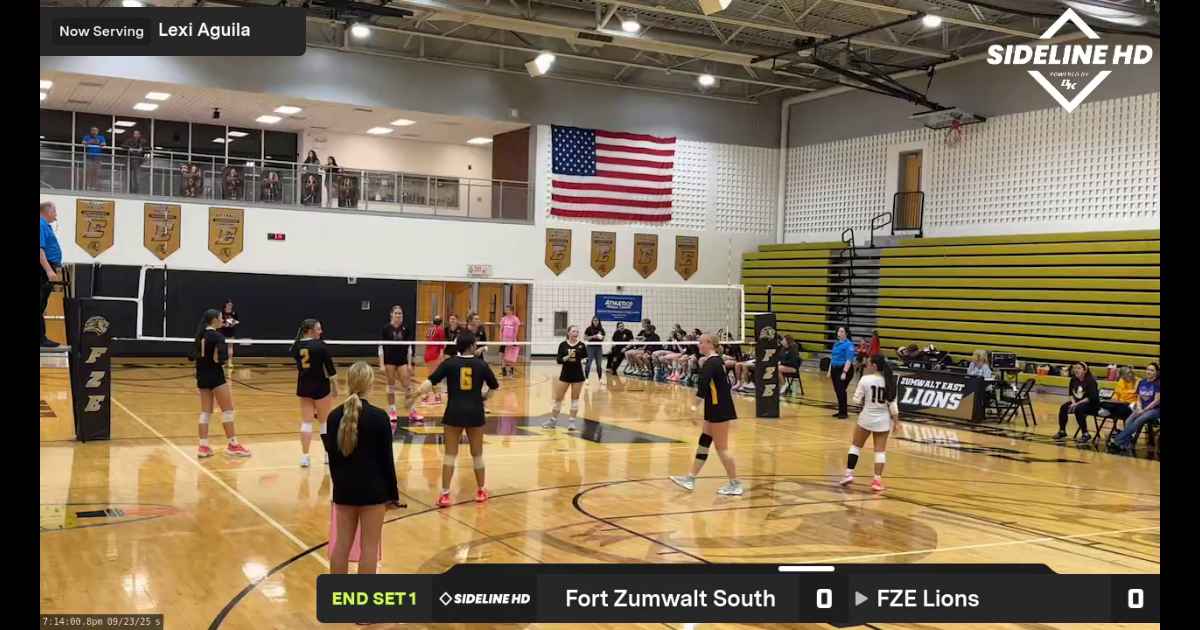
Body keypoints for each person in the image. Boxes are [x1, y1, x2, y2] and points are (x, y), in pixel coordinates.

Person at [322, 361, 402, 575]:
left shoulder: (333, 417)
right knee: (369, 548)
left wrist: (339, 489)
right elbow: (387, 461)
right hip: (373, 493)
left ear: (348, 382)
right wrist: (393, 496)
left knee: (341, 545)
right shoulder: (380, 417)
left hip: (344, 491)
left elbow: (333, 458)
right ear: (370, 384)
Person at [411, 332, 499, 507]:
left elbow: (431, 382)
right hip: (475, 413)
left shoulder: (449, 363)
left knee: (450, 455)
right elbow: (494, 386)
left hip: (454, 413)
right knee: (477, 455)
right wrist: (484, 397)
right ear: (472, 346)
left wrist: (416, 394)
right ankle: (481, 490)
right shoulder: (481, 365)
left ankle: (445, 495)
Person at [669, 333, 743, 496]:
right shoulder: (717, 361)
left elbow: (702, 389)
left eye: (701, 342)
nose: (698, 345)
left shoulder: (711, 363)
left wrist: (692, 409)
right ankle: (690, 478)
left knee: (721, 448)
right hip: (715, 408)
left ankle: (735, 484)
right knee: (704, 443)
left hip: (719, 410)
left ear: (710, 343)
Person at [189, 309, 251, 458]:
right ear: (214, 320)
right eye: (221, 318)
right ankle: (233, 445)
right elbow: (220, 359)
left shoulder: (200, 335)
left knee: (205, 412)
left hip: (202, 376)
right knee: (228, 410)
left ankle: (203, 446)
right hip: (215, 376)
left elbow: (192, 356)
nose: (223, 320)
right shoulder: (218, 336)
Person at [839, 354, 900, 492]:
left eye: (869, 363)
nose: (867, 365)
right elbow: (893, 405)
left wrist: (865, 399)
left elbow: (856, 400)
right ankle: (877, 481)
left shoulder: (865, 379)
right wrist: (896, 422)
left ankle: (848, 474)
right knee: (880, 451)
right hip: (883, 420)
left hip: (866, 418)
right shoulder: (890, 381)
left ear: (874, 366)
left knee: (856, 446)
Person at [292, 318, 337, 467]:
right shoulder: (320, 346)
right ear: (311, 331)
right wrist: (335, 387)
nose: (321, 331)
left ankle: (305, 457)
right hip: (321, 387)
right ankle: (327, 455)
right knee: (324, 423)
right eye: (318, 329)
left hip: (304, 387)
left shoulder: (296, 346)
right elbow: (331, 369)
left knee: (306, 422)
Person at [379, 306, 423, 425]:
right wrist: (381, 363)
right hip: (389, 361)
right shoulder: (386, 329)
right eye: (396, 313)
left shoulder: (406, 329)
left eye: (400, 313)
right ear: (391, 315)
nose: (398, 315)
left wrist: (409, 364)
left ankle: (412, 411)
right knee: (391, 386)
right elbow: (380, 346)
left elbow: (409, 347)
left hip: (402, 360)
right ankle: (392, 410)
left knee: (408, 386)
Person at [1108, 362, 1160, 452]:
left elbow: (1156, 401)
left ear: (1156, 372)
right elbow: (1138, 398)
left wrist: (1144, 410)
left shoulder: (1158, 383)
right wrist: (1139, 408)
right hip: (1142, 408)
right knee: (1128, 420)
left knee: (1138, 420)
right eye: (1148, 369)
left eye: (1152, 370)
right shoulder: (1142, 382)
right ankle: (1125, 445)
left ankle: (1117, 441)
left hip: (1154, 409)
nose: (1149, 372)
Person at [543, 325, 586, 431]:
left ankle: (572, 422)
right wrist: (566, 358)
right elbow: (558, 360)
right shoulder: (563, 345)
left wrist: (585, 361)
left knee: (575, 399)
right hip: (565, 375)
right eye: (574, 331)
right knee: (558, 398)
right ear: (568, 333)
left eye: (577, 331)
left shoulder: (581, 345)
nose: (576, 333)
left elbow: (585, 357)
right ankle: (553, 421)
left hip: (578, 375)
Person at [1054, 361, 1099, 443]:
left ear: (1085, 370)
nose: (1076, 370)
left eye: (1079, 368)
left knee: (1079, 409)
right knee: (1064, 407)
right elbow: (1071, 394)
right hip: (1077, 402)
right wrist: (1073, 403)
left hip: (1091, 404)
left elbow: (1090, 398)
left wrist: (1076, 404)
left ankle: (1085, 434)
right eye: (1075, 368)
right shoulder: (1073, 379)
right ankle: (1062, 431)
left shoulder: (1091, 381)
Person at [40, 202, 62, 348]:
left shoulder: (45, 226)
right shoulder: (40, 224)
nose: (56, 215)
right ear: (47, 211)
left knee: (41, 305)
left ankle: (41, 338)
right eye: (54, 212)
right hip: (43, 269)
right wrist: (48, 270)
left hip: (46, 267)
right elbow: (40, 250)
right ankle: (41, 339)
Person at [1099, 366, 1139, 431]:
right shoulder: (1121, 381)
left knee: (1122, 409)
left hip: (1132, 404)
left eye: (1130, 372)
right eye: (1126, 374)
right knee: (1103, 403)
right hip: (1120, 402)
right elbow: (1117, 393)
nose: (1130, 375)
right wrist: (1114, 400)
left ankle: (1110, 411)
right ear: (1122, 376)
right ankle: (1110, 410)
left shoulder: (1138, 381)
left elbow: (1135, 393)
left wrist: (1125, 395)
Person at [829, 327, 856, 419]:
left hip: (844, 369)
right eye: (838, 331)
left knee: (841, 390)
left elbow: (849, 360)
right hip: (834, 369)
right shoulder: (836, 344)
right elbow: (833, 357)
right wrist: (829, 371)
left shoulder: (849, 345)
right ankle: (840, 411)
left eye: (841, 331)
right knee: (837, 390)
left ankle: (844, 412)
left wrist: (844, 372)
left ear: (846, 333)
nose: (839, 333)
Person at [422, 315, 446, 404]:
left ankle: (434, 395)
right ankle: (427, 395)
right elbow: (442, 343)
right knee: (433, 377)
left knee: (432, 376)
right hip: (434, 354)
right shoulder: (440, 329)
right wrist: (441, 354)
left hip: (427, 354)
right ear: (441, 322)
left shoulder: (430, 329)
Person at [499, 305, 522, 377]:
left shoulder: (516, 319)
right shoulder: (503, 319)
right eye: (506, 310)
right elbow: (501, 330)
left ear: (512, 311)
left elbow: (516, 330)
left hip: (512, 340)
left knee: (511, 356)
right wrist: (500, 338)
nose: (506, 311)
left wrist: (513, 340)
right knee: (502, 354)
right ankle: (503, 370)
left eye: (508, 310)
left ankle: (511, 370)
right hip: (504, 340)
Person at [122, 129, 147, 194]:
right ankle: (129, 190)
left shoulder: (143, 141)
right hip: (129, 159)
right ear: (133, 135)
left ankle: (136, 191)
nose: (136, 135)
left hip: (138, 160)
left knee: (136, 176)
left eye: (137, 134)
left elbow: (149, 148)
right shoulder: (129, 140)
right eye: (135, 134)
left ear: (140, 135)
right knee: (129, 176)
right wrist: (129, 148)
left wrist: (142, 149)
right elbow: (123, 146)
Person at [81, 126, 106, 190]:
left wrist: (97, 142)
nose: (94, 132)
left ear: (98, 132)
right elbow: (83, 142)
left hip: (98, 157)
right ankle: (87, 186)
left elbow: (103, 144)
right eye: (93, 130)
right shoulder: (87, 137)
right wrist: (91, 142)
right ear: (91, 131)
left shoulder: (101, 137)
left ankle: (94, 186)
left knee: (97, 172)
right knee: (88, 172)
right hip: (89, 157)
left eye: (95, 130)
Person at [583, 316, 606, 383]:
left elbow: (603, 338)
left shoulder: (601, 329)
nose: (595, 322)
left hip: (599, 348)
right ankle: (586, 378)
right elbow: (585, 338)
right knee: (588, 363)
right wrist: (593, 336)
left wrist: (600, 337)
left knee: (599, 364)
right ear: (592, 321)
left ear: (599, 321)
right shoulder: (589, 328)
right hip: (590, 347)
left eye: (597, 320)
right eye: (594, 320)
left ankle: (600, 379)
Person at [218, 300, 239, 368]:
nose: (230, 306)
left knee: (230, 347)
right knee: (221, 347)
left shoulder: (234, 313)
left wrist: (232, 324)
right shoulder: (221, 313)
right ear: (225, 305)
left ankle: (230, 362)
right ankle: (222, 362)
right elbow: (219, 322)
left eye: (231, 305)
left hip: (231, 332)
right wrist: (224, 325)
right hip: (222, 332)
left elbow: (236, 321)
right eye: (229, 305)